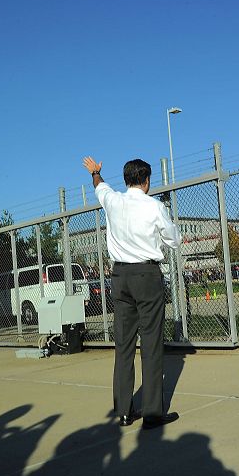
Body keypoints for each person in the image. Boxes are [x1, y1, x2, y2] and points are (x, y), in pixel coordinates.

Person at [83, 156, 182, 429]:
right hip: (146, 275)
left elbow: (99, 186)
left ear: (126, 180)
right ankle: (152, 412)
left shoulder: (113, 201)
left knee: (123, 345)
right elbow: (174, 239)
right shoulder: (154, 206)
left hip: (120, 277)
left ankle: (124, 411)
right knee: (150, 343)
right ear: (147, 180)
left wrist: (95, 172)